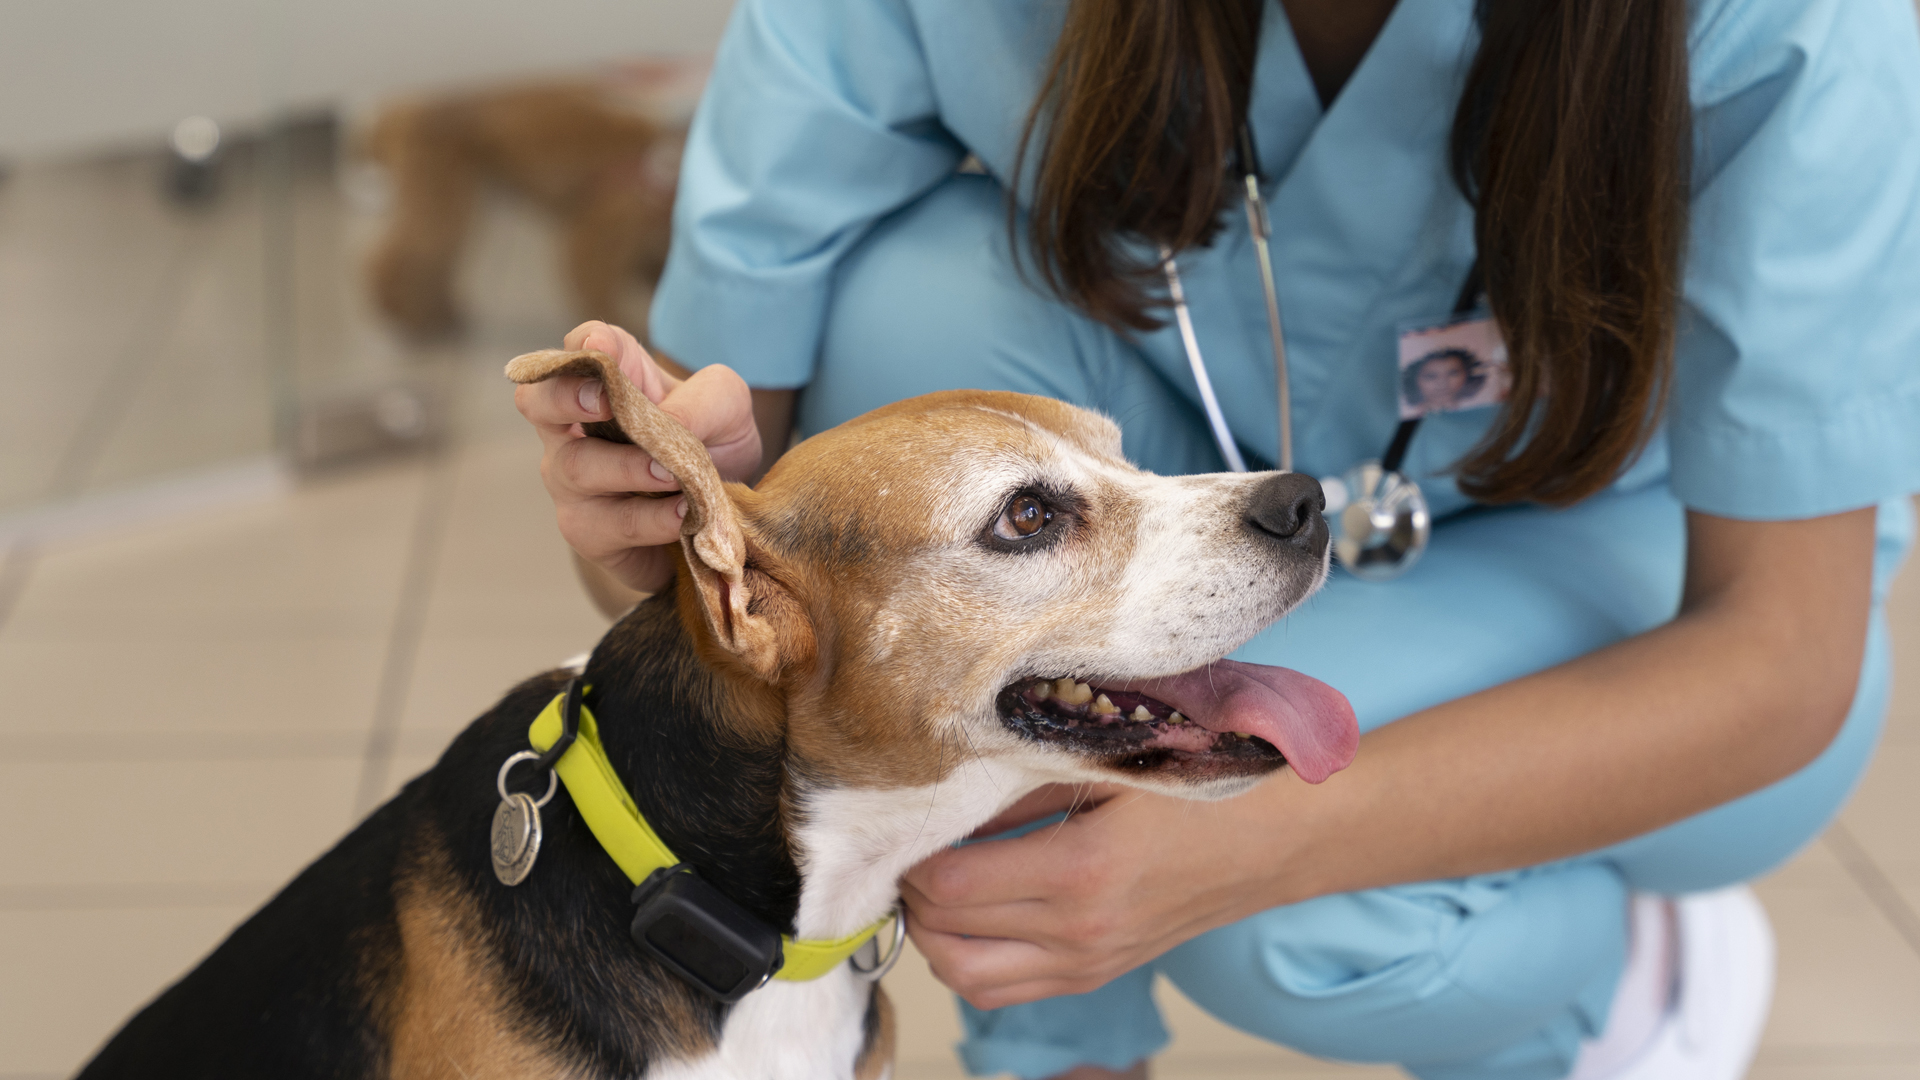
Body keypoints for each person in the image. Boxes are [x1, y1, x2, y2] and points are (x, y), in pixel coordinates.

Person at [513, 1, 1920, 1078]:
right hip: (1194, 450)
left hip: (1633, 556)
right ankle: (1066, 1045)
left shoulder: (1804, 33)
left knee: (1292, 920)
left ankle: (1613, 981)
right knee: (908, 314)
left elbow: (1781, 656)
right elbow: (720, 571)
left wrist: (1260, 855)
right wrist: (666, 519)